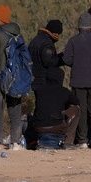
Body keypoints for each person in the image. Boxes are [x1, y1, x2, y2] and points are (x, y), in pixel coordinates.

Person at [29, 19, 79, 149]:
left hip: (35, 80)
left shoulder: (36, 40)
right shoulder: (46, 44)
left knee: (40, 109)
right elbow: (49, 62)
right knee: (52, 109)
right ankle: (64, 140)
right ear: (55, 32)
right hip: (44, 81)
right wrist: (63, 58)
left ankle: (35, 139)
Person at [62, 13, 91, 148]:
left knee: (80, 110)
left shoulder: (73, 41)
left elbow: (66, 59)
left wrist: (77, 64)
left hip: (78, 81)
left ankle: (82, 140)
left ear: (79, 26)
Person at [0, 4, 24, 151]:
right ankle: (16, 142)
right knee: (15, 109)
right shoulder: (17, 34)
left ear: (2, 19)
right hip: (15, 77)